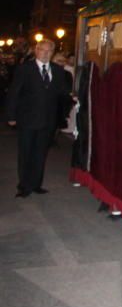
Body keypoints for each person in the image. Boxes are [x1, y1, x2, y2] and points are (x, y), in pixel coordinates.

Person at [6, 40, 72, 197]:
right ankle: (24, 186)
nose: (46, 53)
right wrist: (11, 116)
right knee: (26, 153)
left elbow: (62, 92)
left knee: (40, 153)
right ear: (36, 50)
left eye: (50, 51)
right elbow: (14, 93)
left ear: (53, 53)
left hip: (47, 120)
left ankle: (36, 184)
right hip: (27, 119)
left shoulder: (57, 70)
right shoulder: (25, 69)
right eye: (43, 50)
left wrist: (73, 96)